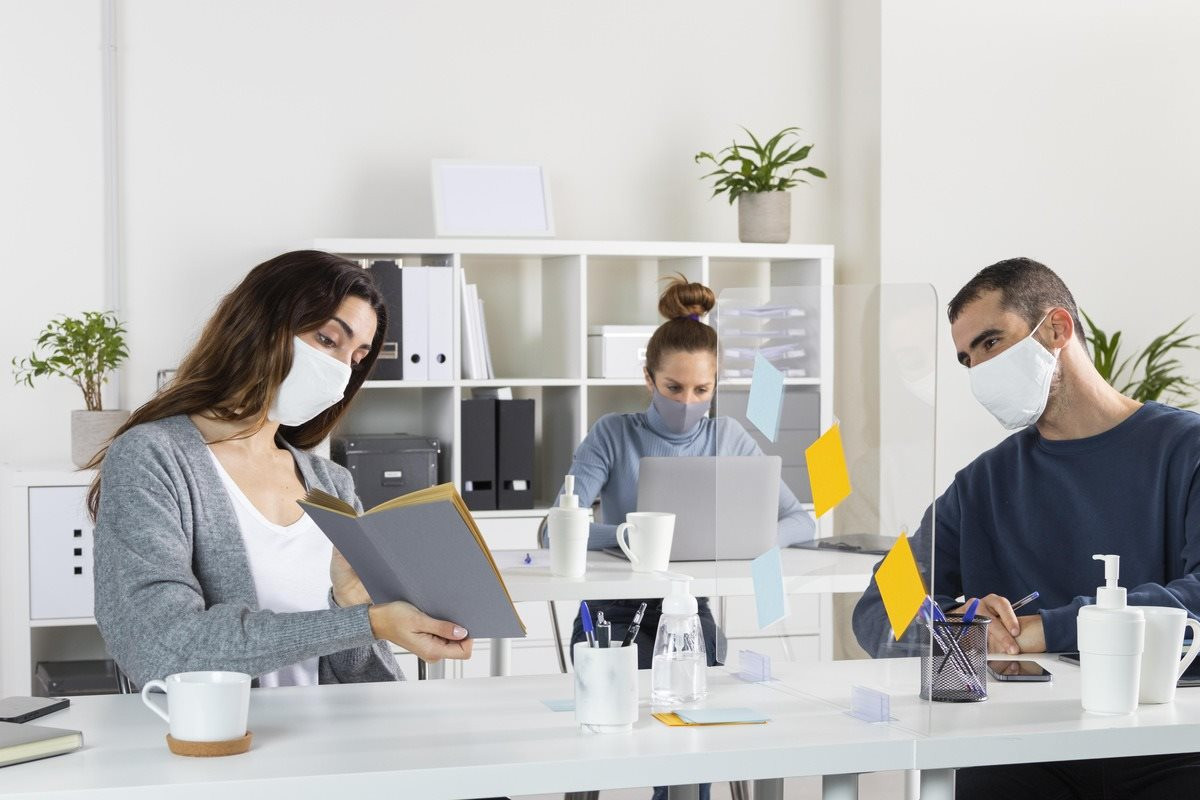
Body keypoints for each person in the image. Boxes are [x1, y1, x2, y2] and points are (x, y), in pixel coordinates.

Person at [853, 257, 1200, 796]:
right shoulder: (980, 486)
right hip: (1019, 748)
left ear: (1057, 329)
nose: (979, 370)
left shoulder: (1186, 451)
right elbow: (880, 605)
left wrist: (1046, 629)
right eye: (967, 360)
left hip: (1168, 745)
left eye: (991, 344)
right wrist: (960, 625)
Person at [89, 250, 473, 689]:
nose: (339, 371)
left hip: (335, 745)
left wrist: (350, 606)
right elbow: (163, 648)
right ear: (261, 325)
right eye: (328, 340)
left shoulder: (332, 483)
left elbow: (360, 676)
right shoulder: (153, 458)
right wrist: (364, 623)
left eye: (356, 357)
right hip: (228, 749)